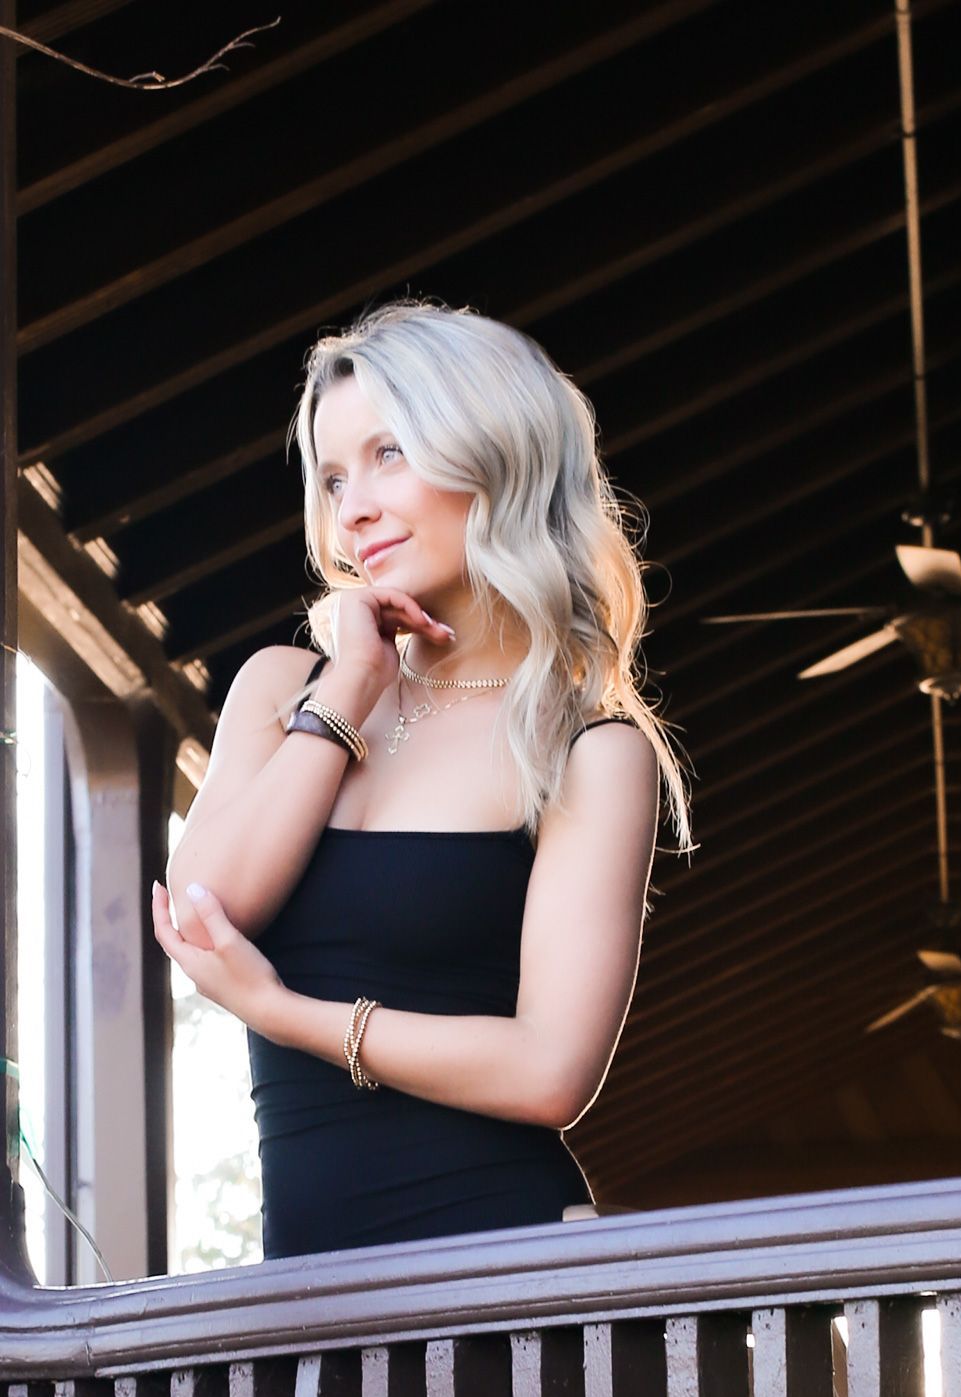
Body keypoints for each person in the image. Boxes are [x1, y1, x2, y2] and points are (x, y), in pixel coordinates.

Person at [152, 300, 692, 1258]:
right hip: (305, 1291)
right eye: (331, 475)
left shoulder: (588, 749)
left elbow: (548, 1071)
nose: (352, 504)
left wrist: (285, 1014)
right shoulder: (286, 690)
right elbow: (203, 913)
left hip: (505, 1279)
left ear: (493, 454)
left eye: (389, 454)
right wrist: (354, 686)